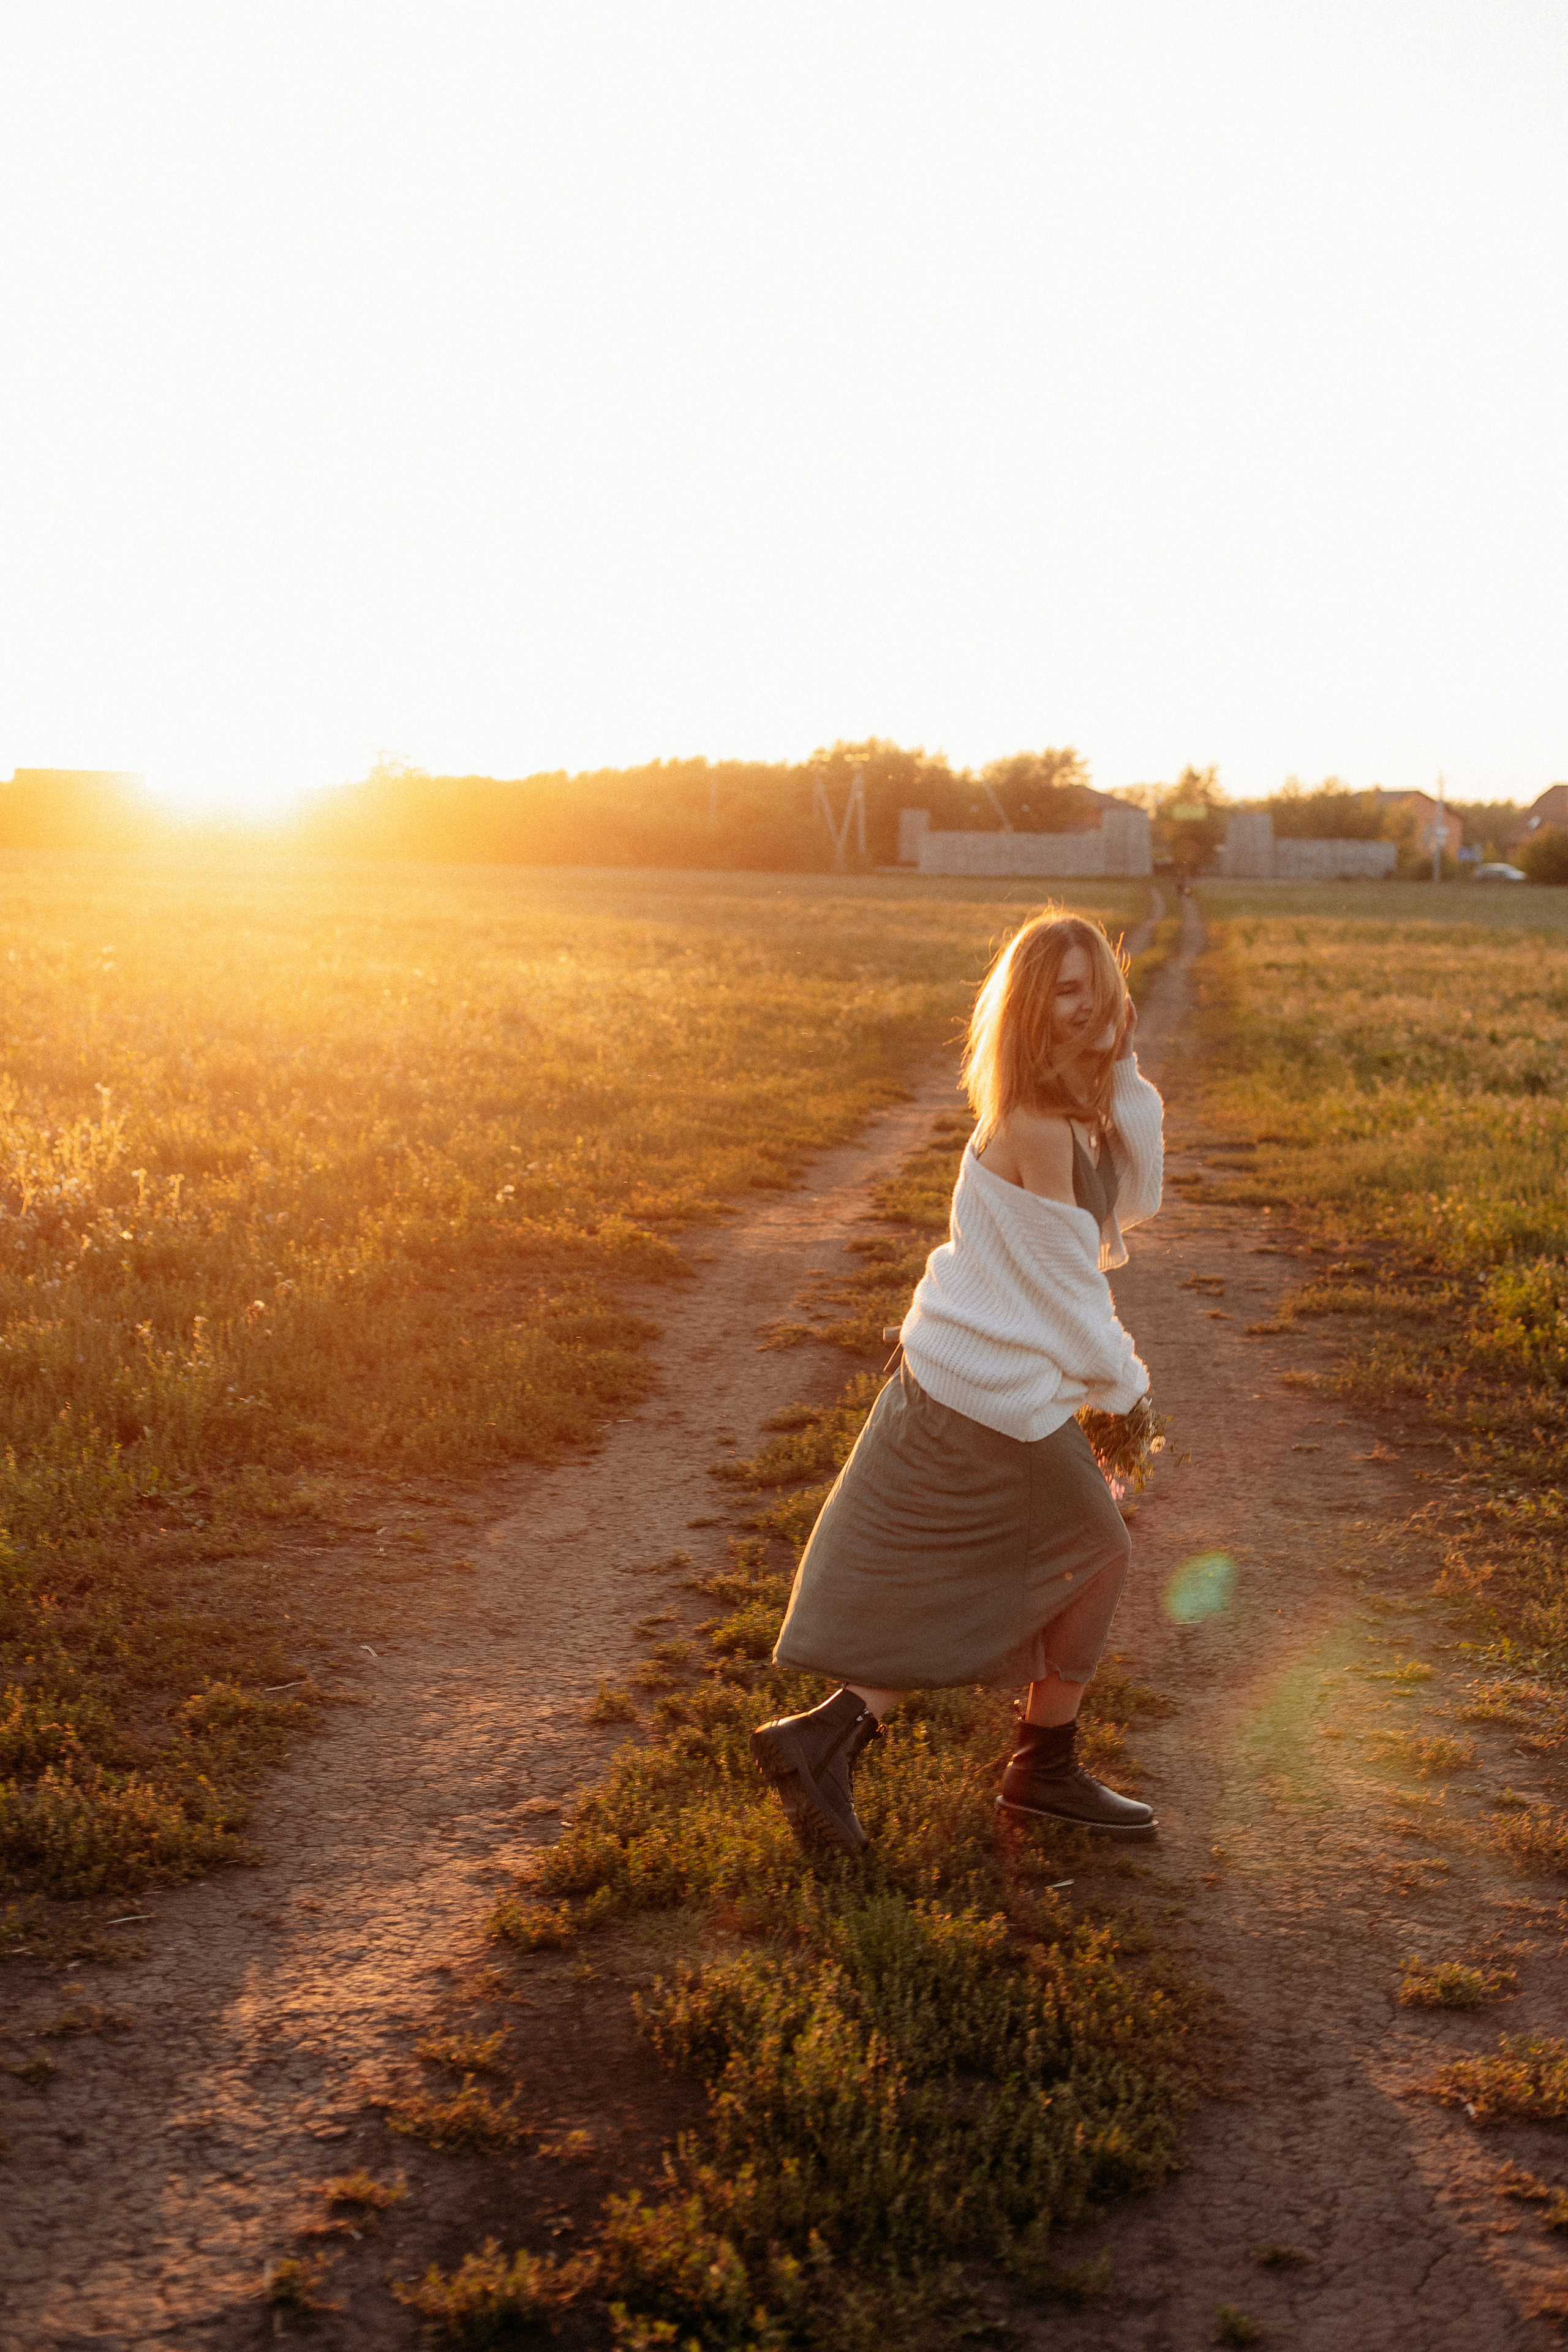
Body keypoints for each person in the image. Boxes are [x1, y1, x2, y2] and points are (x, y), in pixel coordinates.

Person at [750, 909, 1164, 1855]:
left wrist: (1126, 1072)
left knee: (1031, 1562)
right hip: (987, 1395)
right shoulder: (1034, 1124)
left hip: (992, 1386)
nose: (1086, 1005)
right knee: (1092, 1550)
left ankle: (837, 1741)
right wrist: (1126, 1394)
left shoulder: (1068, 1113)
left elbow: (1133, 1205)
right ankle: (1037, 1767)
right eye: (1065, 989)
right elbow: (1070, 1289)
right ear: (1028, 1005)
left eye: (1097, 986)